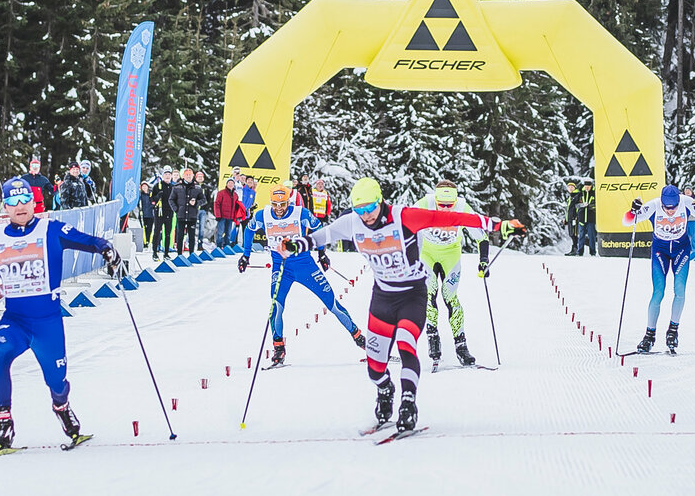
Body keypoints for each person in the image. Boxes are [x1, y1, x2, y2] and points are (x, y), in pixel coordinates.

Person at [279, 177, 526, 433]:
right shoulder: (353, 221)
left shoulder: (404, 216)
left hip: (412, 295)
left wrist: (499, 225)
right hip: (382, 299)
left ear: (380, 201)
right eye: (359, 209)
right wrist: (296, 245)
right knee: (375, 368)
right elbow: (322, 236)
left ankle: (408, 403)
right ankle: (385, 391)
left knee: (407, 346)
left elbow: (452, 219)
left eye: (369, 208)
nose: (365, 215)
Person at [0, 177, 121, 450]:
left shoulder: (51, 229)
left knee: (57, 381)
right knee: (2, 351)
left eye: (24, 200)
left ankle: (61, 405)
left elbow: (87, 240)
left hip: (48, 324)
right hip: (16, 320)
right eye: (12, 201)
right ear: (5, 206)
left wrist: (107, 249)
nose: (19, 207)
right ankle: (4, 419)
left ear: (34, 202)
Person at [239, 184, 364, 367]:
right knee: (276, 306)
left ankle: (360, 338)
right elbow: (249, 230)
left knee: (332, 303)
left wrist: (321, 253)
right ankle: (278, 348)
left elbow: (318, 228)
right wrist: (246, 255)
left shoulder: (301, 213)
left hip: (305, 265)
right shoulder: (262, 215)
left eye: (282, 204)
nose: (279, 208)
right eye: (275, 204)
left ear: (288, 201)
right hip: (281, 267)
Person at [415, 179, 519, 367]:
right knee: (428, 295)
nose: (446, 209)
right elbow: (404, 226)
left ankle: (461, 346)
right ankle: (433, 338)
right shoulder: (424, 204)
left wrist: (484, 261)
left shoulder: (463, 207)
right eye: (442, 205)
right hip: (427, 255)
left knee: (450, 297)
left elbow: (481, 237)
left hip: (450, 256)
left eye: (450, 205)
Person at [624, 184, 695, 353]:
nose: (671, 211)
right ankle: (649, 335)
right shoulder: (654, 205)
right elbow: (627, 221)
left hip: (681, 249)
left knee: (680, 290)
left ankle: (673, 331)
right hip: (660, 251)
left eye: (674, 207)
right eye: (667, 208)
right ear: (662, 203)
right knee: (658, 292)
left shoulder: (687, 202)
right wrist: (632, 211)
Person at [169, 167, 204, 256]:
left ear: (193, 176)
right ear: (183, 176)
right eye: (186, 175)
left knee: (191, 236)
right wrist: (176, 209)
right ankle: (179, 254)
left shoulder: (197, 188)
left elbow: (204, 200)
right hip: (181, 215)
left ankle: (192, 254)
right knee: (180, 236)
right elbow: (171, 199)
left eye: (190, 175)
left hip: (192, 216)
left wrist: (196, 203)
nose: (188, 177)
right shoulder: (177, 187)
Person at [151, 166, 175, 260]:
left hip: (169, 212)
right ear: (163, 175)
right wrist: (157, 196)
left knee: (168, 233)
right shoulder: (158, 186)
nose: (167, 176)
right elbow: (152, 200)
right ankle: (154, 252)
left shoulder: (173, 187)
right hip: (159, 212)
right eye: (166, 174)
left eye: (169, 174)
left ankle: (166, 253)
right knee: (157, 232)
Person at [214, 178, 239, 249]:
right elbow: (217, 204)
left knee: (228, 233)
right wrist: (218, 215)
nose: (230, 184)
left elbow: (236, 206)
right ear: (227, 184)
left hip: (230, 217)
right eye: (229, 183)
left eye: (232, 183)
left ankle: (226, 247)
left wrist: (236, 216)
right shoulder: (221, 193)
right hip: (222, 216)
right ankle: (218, 247)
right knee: (220, 233)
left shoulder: (235, 195)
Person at [577, 178, 596, 256]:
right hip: (581, 218)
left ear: (591, 186)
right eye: (585, 186)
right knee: (581, 236)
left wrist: (589, 206)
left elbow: (597, 205)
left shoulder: (594, 194)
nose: (587, 187)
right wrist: (582, 205)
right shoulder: (580, 194)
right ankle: (580, 252)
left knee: (592, 236)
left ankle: (593, 252)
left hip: (591, 218)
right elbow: (576, 205)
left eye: (588, 186)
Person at [194, 170, 210, 251]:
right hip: (194, 210)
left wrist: (206, 208)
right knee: (192, 226)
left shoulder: (206, 187)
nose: (200, 178)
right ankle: (191, 243)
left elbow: (208, 199)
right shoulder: (193, 186)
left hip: (202, 210)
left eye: (201, 177)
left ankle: (200, 244)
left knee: (202, 228)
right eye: (198, 177)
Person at [563, 180, 580, 256]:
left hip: (574, 218)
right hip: (570, 218)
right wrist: (566, 219)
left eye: (572, 187)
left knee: (574, 233)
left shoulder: (577, 195)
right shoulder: (570, 197)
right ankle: (574, 248)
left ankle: (576, 249)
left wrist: (576, 216)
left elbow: (578, 206)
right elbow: (568, 209)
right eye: (569, 187)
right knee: (571, 234)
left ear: (574, 188)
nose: (570, 188)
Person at [137, 181, 155, 249]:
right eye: (143, 187)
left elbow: (154, 201)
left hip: (150, 214)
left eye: (145, 186)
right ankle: (144, 242)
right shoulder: (141, 195)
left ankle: (148, 241)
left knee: (150, 229)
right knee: (144, 228)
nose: (144, 188)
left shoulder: (151, 194)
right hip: (143, 214)